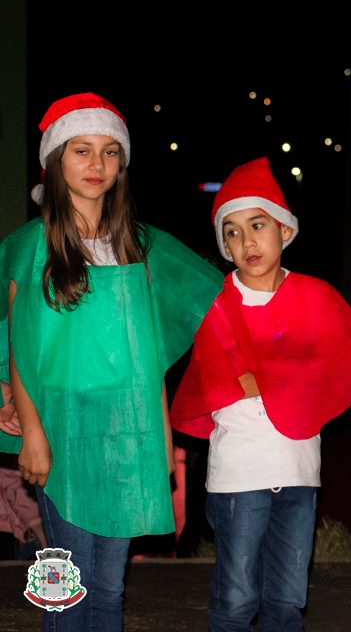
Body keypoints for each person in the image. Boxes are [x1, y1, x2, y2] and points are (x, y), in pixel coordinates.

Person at [0, 92, 222, 630]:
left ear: (122, 163)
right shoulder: (30, 246)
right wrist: (31, 429)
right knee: (67, 590)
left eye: (108, 152)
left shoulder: (141, 248)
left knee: (109, 588)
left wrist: (161, 440)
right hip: (62, 430)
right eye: (81, 150)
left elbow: (161, 348)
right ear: (53, 163)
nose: (96, 165)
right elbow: (19, 348)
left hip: (128, 435)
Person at [168, 157, 351, 631]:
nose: (246, 241)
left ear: (286, 231)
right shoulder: (215, 303)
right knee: (236, 602)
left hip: (299, 474)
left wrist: (270, 375)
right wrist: (277, 374)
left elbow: (350, 364)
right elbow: (210, 380)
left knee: (288, 601)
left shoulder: (316, 297)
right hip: (237, 477)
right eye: (231, 232)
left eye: (257, 225)